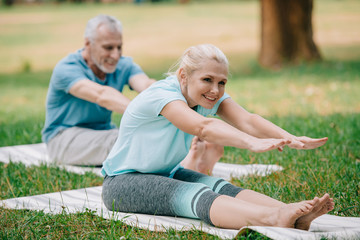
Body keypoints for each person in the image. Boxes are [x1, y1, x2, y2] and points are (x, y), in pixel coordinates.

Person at [101, 44, 334, 230]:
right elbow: (202, 127)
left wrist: (289, 137)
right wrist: (251, 143)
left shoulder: (204, 96)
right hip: (122, 183)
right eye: (207, 80)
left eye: (222, 82)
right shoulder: (162, 96)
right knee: (196, 194)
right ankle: (274, 218)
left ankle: (295, 214)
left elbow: (247, 120)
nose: (215, 89)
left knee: (221, 187)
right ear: (184, 75)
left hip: (166, 173)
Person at [41, 14, 156, 166]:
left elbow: (147, 85)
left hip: (103, 132)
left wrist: (171, 102)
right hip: (63, 138)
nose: (115, 55)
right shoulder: (67, 69)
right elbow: (102, 95)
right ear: (88, 43)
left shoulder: (124, 65)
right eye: (108, 48)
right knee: (127, 140)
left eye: (119, 47)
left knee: (149, 136)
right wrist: (146, 113)